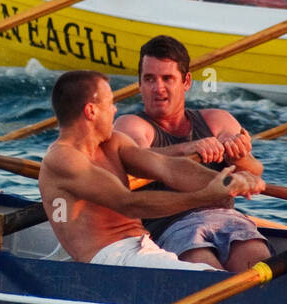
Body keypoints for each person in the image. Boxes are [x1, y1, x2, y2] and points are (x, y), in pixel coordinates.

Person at [37, 70, 264, 268]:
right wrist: (204, 196)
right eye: (110, 103)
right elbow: (128, 202)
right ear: (91, 111)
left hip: (145, 245)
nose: (115, 110)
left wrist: (228, 182)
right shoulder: (63, 159)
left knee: (239, 272)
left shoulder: (113, 142)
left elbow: (169, 168)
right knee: (210, 280)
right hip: (111, 258)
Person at [112, 36, 270, 272]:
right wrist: (187, 148)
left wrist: (237, 156)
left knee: (259, 263)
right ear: (139, 84)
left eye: (167, 79)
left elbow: (255, 172)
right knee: (208, 276)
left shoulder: (217, 120)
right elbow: (132, 159)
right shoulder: (132, 125)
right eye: (149, 79)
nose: (158, 88)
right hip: (172, 227)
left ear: (186, 81)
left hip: (229, 219)